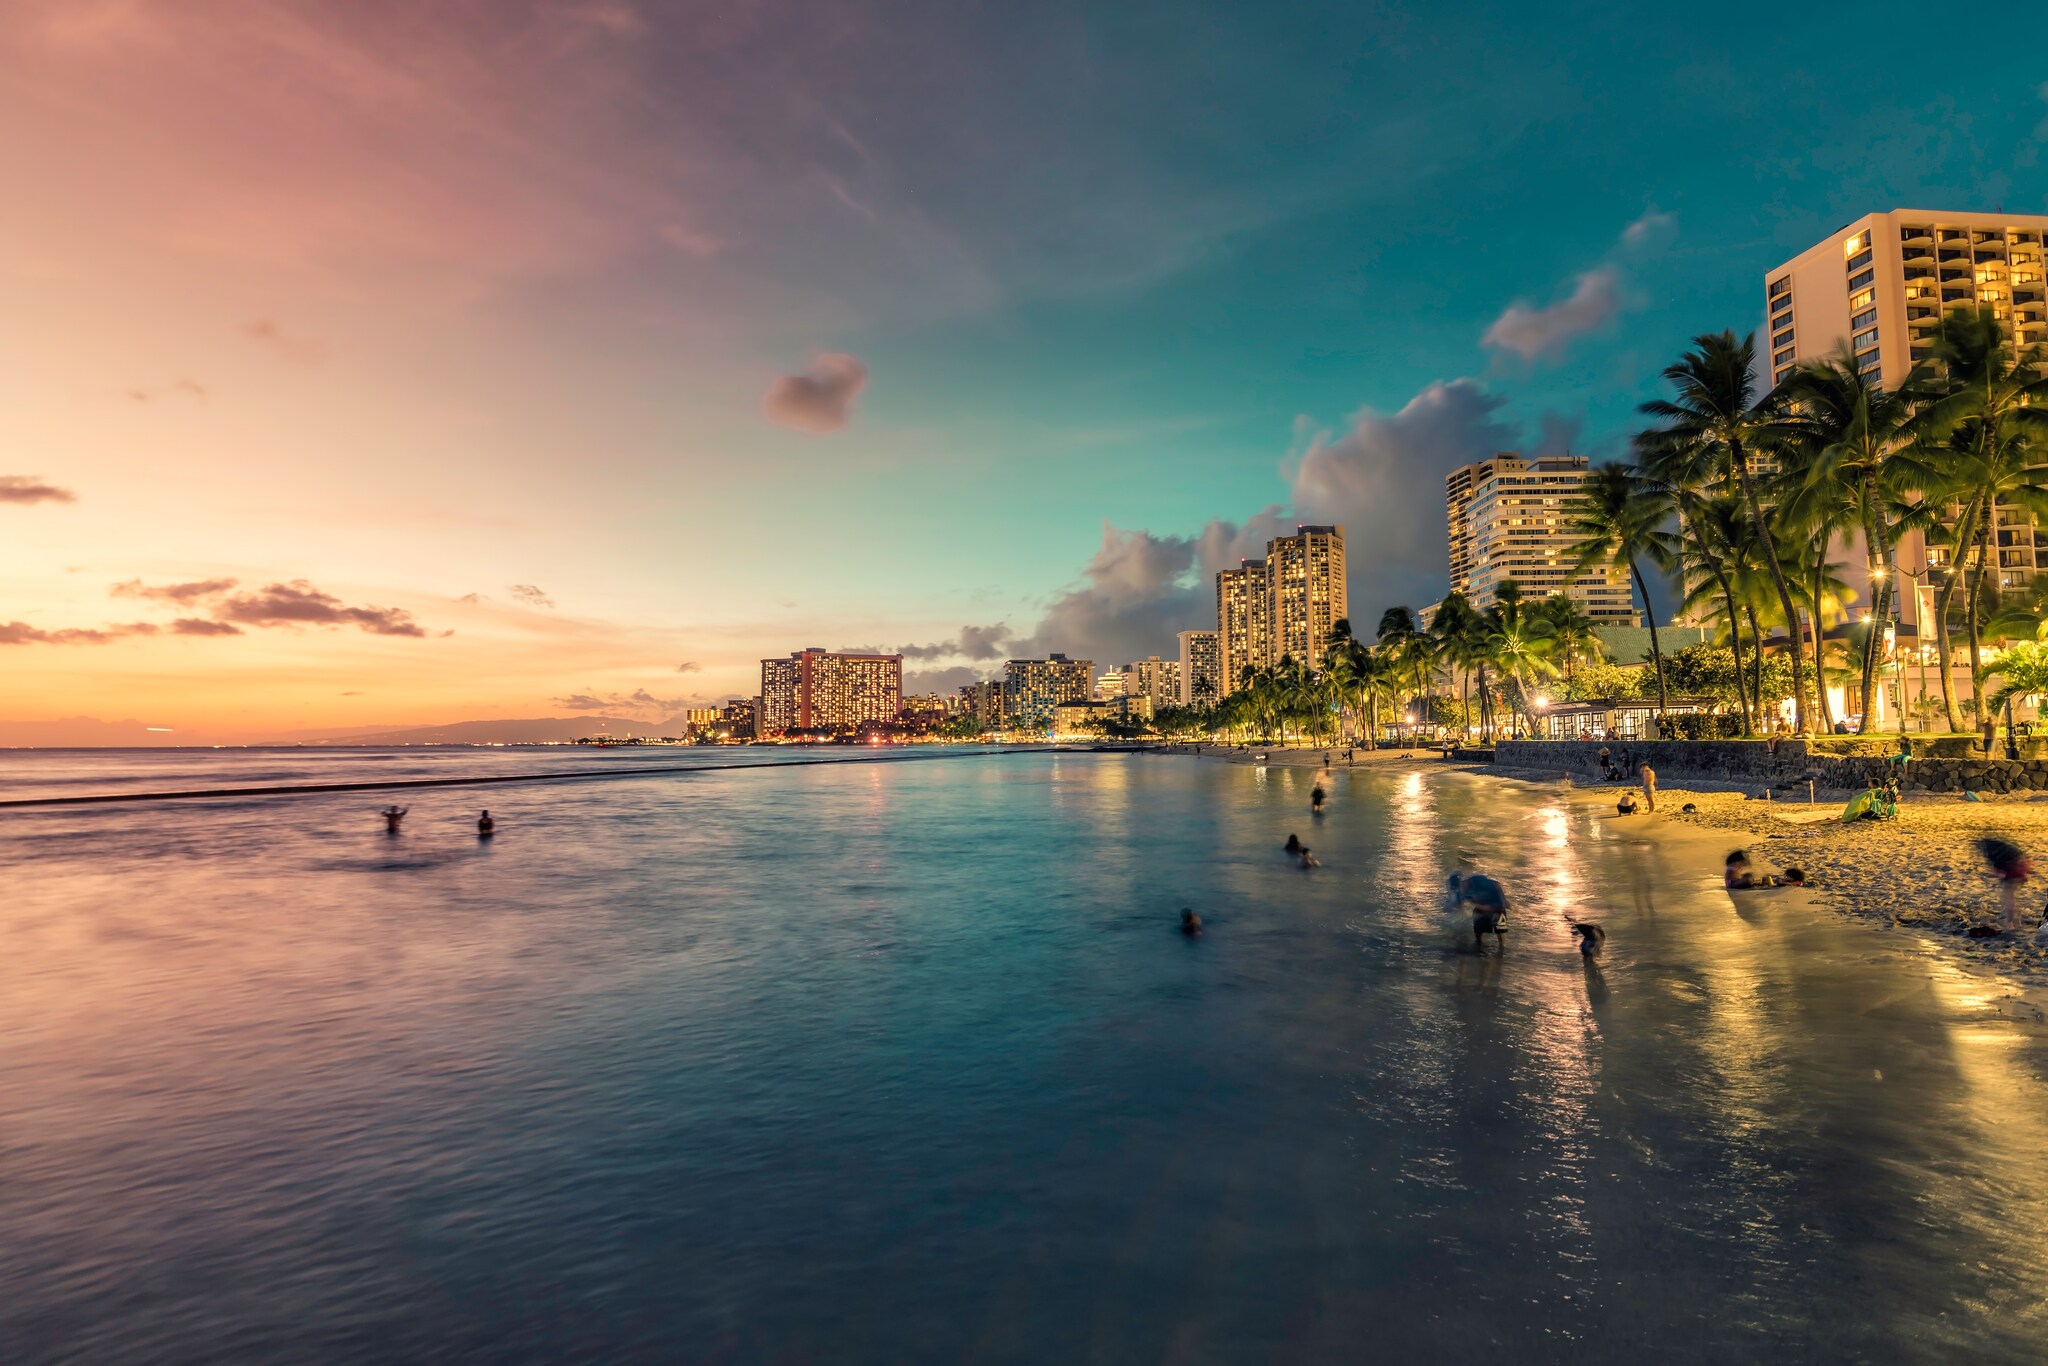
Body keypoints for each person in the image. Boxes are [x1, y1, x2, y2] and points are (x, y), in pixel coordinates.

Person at [1978, 837, 2032, 933]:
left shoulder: (1991, 851)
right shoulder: (2002, 846)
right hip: (2020, 866)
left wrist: (1997, 874)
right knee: (2012, 898)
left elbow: (1998, 866)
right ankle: (2016, 923)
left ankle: (2009, 925)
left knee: (2008, 899)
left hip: (2014, 870)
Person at [1460, 872, 1508, 949]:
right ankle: (1481, 944)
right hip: (1489, 905)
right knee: (1480, 931)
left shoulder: (1479, 883)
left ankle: (1499, 946)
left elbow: (1496, 885)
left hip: (1496, 907)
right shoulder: (1472, 883)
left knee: (1499, 931)